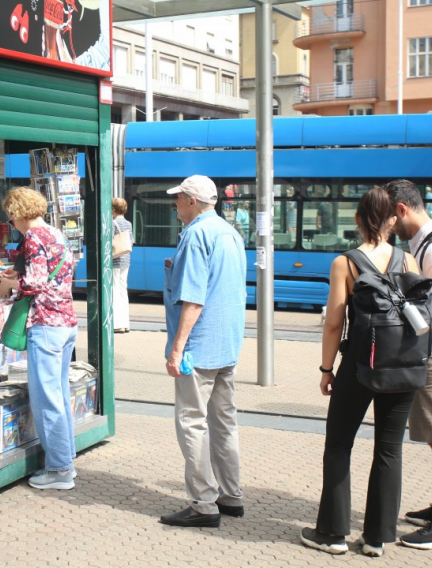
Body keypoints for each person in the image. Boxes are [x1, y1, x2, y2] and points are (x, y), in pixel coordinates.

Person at [300, 187, 419, 557]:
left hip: (359, 365)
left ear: (356, 219)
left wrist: (326, 369)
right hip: (402, 366)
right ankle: (376, 538)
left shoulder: (345, 263)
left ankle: (333, 534)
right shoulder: (408, 261)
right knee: (389, 450)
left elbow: (334, 324)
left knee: (338, 445)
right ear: (393, 220)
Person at [159, 175, 247, 529]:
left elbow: (194, 298)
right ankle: (231, 495)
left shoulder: (196, 234)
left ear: (192, 200)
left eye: (178, 198)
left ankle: (203, 503)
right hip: (227, 344)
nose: (175, 204)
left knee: (192, 422)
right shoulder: (230, 233)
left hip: (200, 347)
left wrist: (177, 348)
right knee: (224, 422)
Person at [384, 179, 432, 550]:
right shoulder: (423, 243)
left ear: (402, 210)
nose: (388, 226)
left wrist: (398, 302)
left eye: (389, 218)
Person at [2, 187, 78, 490]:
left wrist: (9, 281)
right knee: (58, 395)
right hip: (66, 322)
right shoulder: (55, 233)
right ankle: (67, 459)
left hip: (46, 324)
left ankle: (60, 470)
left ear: (18, 212)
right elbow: (54, 272)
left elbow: (34, 282)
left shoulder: (32, 237)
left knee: (46, 399)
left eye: (10, 214)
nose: (10, 221)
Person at [112, 197, 133, 333]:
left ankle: (117, 324)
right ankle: (125, 323)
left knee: (113, 291)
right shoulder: (128, 223)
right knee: (122, 291)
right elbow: (130, 241)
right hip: (126, 260)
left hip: (114, 261)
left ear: (113, 209)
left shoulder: (112, 224)